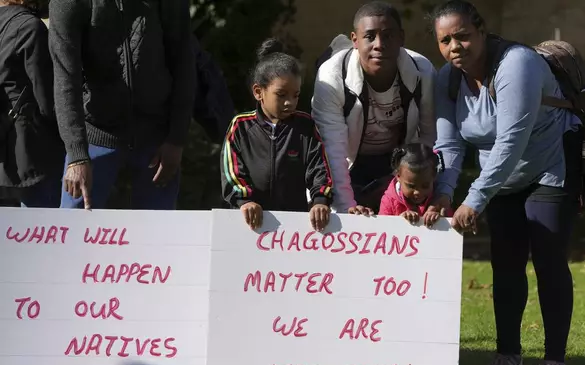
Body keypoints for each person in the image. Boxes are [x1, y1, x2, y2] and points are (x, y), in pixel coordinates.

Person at [429, 0, 583, 365]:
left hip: (551, 167)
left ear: (481, 30)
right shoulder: (447, 78)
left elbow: (510, 140)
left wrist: (474, 199)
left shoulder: (517, 64)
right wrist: (446, 192)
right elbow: (448, 143)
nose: (455, 46)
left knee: (548, 261)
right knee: (506, 266)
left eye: (462, 35)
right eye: (445, 40)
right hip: (502, 180)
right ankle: (508, 362)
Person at [48, 0, 195, 210]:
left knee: (159, 236)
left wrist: (176, 139)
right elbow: (65, 78)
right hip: (95, 134)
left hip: (157, 137)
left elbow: (183, 64)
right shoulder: (68, 3)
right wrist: (77, 155)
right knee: (74, 228)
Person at [311, 1, 437, 215]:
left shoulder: (422, 71)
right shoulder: (331, 76)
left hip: (398, 164)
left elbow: (429, 138)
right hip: (350, 163)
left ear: (401, 38)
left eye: (388, 36)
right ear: (355, 40)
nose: (379, 44)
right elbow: (333, 150)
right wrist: (347, 207)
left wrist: (426, 196)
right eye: (369, 36)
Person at [220, 38, 334, 232]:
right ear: (258, 92)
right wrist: (245, 201)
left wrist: (320, 200)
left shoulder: (305, 126)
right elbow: (231, 170)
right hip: (247, 225)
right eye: (281, 95)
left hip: (293, 229)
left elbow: (319, 168)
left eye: (295, 95)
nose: (290, 102)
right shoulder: (240, 126)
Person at [0, 0, 64, 208]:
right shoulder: (30, 28)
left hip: (4, 156)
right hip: (28, 153)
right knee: (40, 231)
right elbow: (47, 99)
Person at [378, 143, 449, 226]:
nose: (418, 192)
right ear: (398, 177)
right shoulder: (389, 201)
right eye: (411, 186)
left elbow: (451, 228)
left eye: (425, 186)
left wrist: (441, 219)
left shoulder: (440, 198)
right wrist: (398, 221)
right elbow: (382, 228)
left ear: (434, 177)